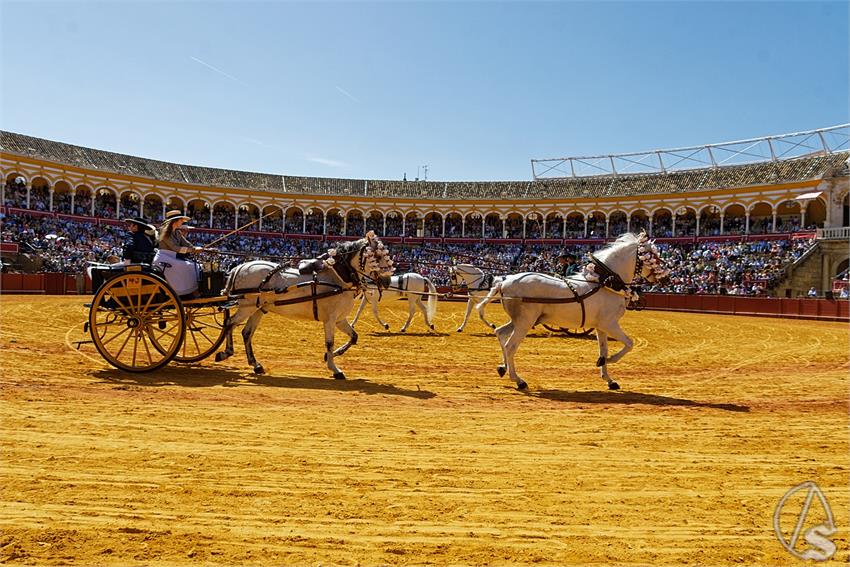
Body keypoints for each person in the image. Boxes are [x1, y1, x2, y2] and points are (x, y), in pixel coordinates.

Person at [154, 210, 204, 296]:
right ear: (175, 221)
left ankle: (191, 291)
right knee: (187, 266)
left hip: (172, 257)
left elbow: (186, 243)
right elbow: (175, 248)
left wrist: (197, 248)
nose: (182, 222)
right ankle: (184, 292)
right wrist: (192, 250)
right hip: (164, 258)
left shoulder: (177, 232)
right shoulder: (164, 232)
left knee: (194, 265)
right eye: (181, 220)